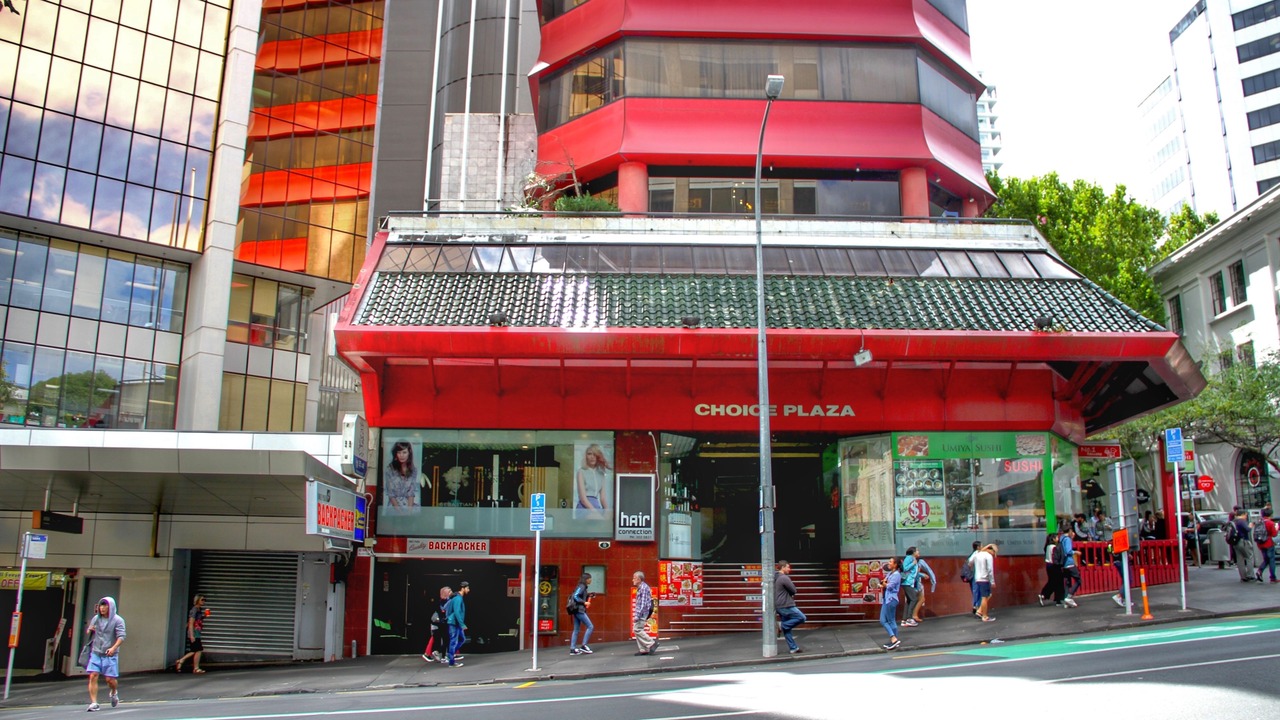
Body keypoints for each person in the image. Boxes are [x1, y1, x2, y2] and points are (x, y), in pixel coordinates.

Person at [85, 597, 126, 712]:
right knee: (93, 675)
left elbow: (121, 636)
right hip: (96, 651)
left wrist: (113, 648)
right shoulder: (96, 619)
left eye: (105, 606)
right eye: (101, 606)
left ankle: (113, 692)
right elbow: (89, 630)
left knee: (110, 679)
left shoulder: (118, 620)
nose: (102, 608)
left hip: (109, 653)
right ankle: (94, 702)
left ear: (110, 607)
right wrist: (90, 629)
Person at [774, 560, 806, 653]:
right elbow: (793, 590)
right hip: (786, 605)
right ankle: (781, 625)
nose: (789, 569)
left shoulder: (776, 577)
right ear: (783, 567)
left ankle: (793, 648)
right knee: (802, 617)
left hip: (779, 605)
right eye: (788, 567)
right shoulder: (784, 578)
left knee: (787, 629)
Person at [384, 441, 423, 509]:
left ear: (409, 453)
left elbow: (411, 493)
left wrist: (409, 512)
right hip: (393, 507)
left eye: (404, 452)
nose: (401, 455)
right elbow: (391, 494)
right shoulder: (389, 469)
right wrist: (400, 512)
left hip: (408, 506)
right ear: (396, 454)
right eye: (399, 452)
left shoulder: (413, 470)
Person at [174, 594, 206, 674]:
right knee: (198, 650)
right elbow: (191, 622)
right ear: (197, 600)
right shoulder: (194, 609)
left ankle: (181, 661)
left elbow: (197, 620)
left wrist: (204, 616)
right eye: (202, 599)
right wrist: (191, 635)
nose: (204, 601)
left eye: (204, 600)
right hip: (194, 632)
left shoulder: (199, 609)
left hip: (197, 632)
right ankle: (195, 668)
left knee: (194, 650)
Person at [575, 444, 611, 514]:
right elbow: (583, 498)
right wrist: (595, 512)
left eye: (595, 455)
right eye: (589, 454)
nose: (592, 457)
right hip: (584, 507)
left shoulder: (601, 474)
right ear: (586, 456)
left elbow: (603, 498)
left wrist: (608, 512)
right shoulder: (581, 472)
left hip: (596, 506)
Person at [568, 572, 595, 655]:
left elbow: (578, 595)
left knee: (576, 629)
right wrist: (584, 602)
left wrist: (588, 595)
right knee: (590, 626)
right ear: (586, 579)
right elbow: (575, 596)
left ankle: (573, 648)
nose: (591, 580)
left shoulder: (581, 586)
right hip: (579, 610)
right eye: (590, 578)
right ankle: (584, 645)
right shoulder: (582, 586)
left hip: (576, 610)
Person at [632, 570, 658, 655]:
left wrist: (637, 615)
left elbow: (642, 604)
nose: (633, 580)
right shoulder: (642, 587)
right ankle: (643, 649)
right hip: (643, 612)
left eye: (634, 578)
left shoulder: (643, 588)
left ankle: (651, 643)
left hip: (642, 613)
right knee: (637, 629)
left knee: (637, 629)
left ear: (639, 579)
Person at [422, 585, 451, 662]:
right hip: (439, 623)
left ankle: (435, 653)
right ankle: (434, 653)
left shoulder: (440, 601)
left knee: (437, 638)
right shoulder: (443, 602)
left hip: (438, 623)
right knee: (440, 638)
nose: (451, 593)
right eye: (449, 591)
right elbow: (442, 611)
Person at [445, 581, 470, 667]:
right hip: (454, 623)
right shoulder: (458, 598)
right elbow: (457, 612)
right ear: (463, 588)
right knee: (454, 641)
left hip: (455, 623)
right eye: (467, 588)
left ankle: (450, 655)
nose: (468, 590)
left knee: (461, 639)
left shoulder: (457, 597)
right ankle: (451, 661)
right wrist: (462, 624)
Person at [879, 556, 902, 650]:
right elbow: (884, 582)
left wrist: (885, 584)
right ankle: (894, 639)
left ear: (895, 564)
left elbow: (890, 586)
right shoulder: (890, 574)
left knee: (891, 620)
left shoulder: (897, 574)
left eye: (890, 562)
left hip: (891, 599)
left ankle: (894, 639)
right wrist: (883, 583)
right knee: (882, 620)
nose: (888, 563)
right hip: (886, 599)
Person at [1231, 510, 1259, 582]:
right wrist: (1250, 526)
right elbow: (1247, 529)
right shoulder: (1242, 521)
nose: (1246, 517)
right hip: (1243, 541)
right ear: (1242, 514)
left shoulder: (1233, 521)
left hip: (1235, 542)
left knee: (1240, 560)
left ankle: (1243, 576)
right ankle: (1250, 575)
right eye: (1246, 515)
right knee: (1249, 557)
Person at [909, 551, 936, 624]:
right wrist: (922, 575)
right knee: (918, 599)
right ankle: (911, 616)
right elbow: (914, 572)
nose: (919, 552)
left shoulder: (911, 561)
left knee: (915, 599)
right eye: (917, 551)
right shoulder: (917, 561)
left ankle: (911, 616)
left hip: (912, 583)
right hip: (914, 583)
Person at [1038, 532, 1063, 607]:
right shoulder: (1054, 547)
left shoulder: (1047, 546)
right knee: (1058, 583)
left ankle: (1044, 595)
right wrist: (1059, 564)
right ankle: (1055, 599)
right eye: (1057, 537)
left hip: (1048, 566)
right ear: (1053, 539)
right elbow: (1056, 558)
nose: (1058, 539)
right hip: (1054, 566)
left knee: (1052, 582)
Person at [974, 544, 998, 622]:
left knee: (987, 595)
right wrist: (992, 581)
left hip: (978, 578)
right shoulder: (988, 556)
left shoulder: (978, 554)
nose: (994, 555)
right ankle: (984, 616)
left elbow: (970, 562)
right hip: (984, 579)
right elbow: (990, 570)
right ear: (992, 550)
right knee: (984, 597)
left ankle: (980, 611)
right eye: (995, 552)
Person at [900, 548, 921, 627]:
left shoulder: (913, 559)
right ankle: (909, 618)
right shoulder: (909, 558)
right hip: (907, 582)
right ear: (913, 552)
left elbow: (914, 573)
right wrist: (913, 563)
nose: (919, 552)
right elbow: (905, 568)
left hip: (909, 582)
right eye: (917, 550)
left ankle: (904, 620)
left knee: (909, 600)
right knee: (914, 599)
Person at [1258, 507, 1278, 583]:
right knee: (1271, 560)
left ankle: (1259, 571)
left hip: (1260, 543)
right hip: (1268, 543)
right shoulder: (1270, 523)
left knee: (1266, 559)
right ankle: (1273, 577)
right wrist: (1277, 528)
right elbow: (1274, 534)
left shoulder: (1259, 522)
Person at [1060, 529, 1080, 607]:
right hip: (1069, 563)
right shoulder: (1067, 539)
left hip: (1064, 564)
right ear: (1069, 531)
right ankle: (1069, 597)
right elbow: (1068, 551)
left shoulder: (1061, 539)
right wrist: (1075, 552)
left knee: (1068, 583)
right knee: (1078, 580)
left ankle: (1066, 601)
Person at [964, 540, 982, 614]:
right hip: (975, 575)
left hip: (973, 575)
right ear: (978, 547)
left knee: (975, 591)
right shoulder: (976, 554)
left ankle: (976, 606)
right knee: (978, 591)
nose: (982, 547)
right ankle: (977, 606)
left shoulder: (973, 554)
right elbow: (969, 563)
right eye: (981, 545)